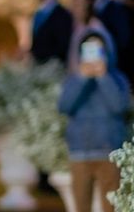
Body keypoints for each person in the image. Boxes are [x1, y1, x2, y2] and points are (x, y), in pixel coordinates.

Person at [58, 31, 131, 212]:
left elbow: (119, 106)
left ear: (106, 51)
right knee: (81, 206)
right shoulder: (73, 78)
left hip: (109, 151)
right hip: (79, 151)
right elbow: (64, 106)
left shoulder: (117, 78)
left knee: (111, 207)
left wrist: (103, 77)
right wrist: (82, 78)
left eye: (98, 49)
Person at [30, 0, 73, 64]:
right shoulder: (38, 13)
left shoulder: (62, 15)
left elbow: (62, 47)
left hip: (53, 70)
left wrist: (38, 55)